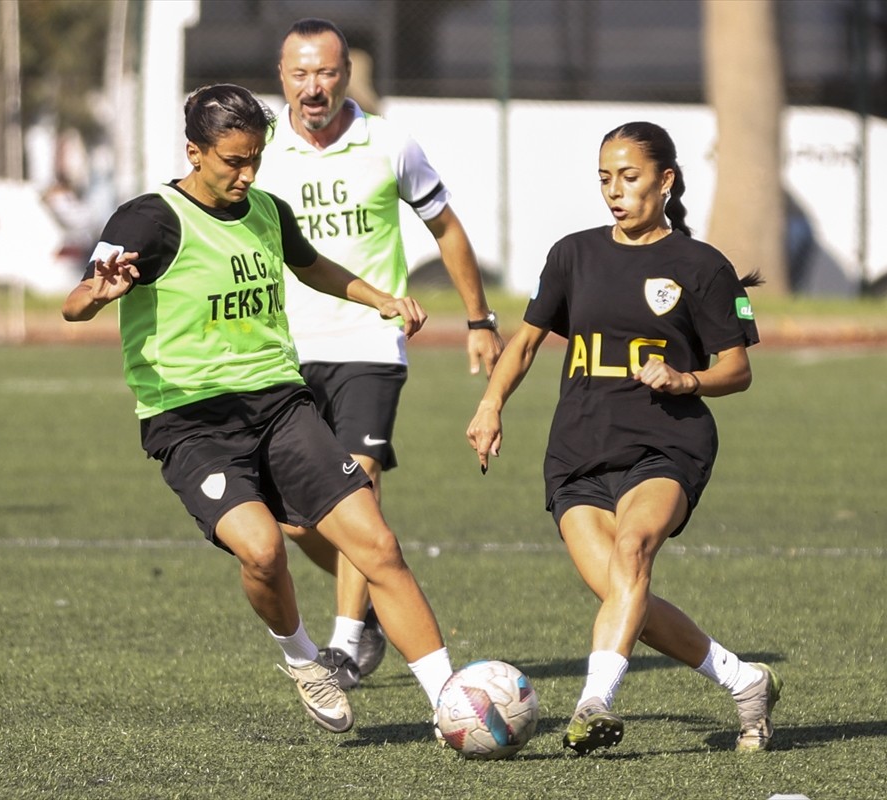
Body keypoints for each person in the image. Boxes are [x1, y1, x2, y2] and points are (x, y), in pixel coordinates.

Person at [61, 83, 454, 737]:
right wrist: (98, 295)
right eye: (232, 162)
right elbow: (75, 302)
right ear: (195, 151)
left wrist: (377, 298)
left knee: (378, 544)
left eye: (255, 160)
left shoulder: (266, 210)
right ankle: (303, 659)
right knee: (264, 550)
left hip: (279, 405)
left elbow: (310, 265)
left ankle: (450, 702)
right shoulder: (147, 219)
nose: (246, 175)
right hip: (190, 421)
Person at [466, 121, 781, 756]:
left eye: (629, 177)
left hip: (665, 443)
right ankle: (746, 682)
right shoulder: (572, 255)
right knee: (622, 591)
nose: (615, 191)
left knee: (633, 549)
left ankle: (594, 702)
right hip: (578, 449)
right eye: (605, 179)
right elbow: (525, 341)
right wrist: (491, 403)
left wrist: (684, 377)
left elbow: (737, 370)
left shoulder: (701, 267)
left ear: (665, 181)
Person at [260, 17, 504, 687]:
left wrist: (479, 318)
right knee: (294, 522)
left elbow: (446, 229)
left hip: (371, 340)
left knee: (358, 480)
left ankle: (343, 644)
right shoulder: (258, 151)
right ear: (282, 77)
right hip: (283, 348)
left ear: (347, 74)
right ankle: (370, 607)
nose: (315, 88)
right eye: (301, 74)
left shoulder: (390, 144)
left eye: (328, 73)